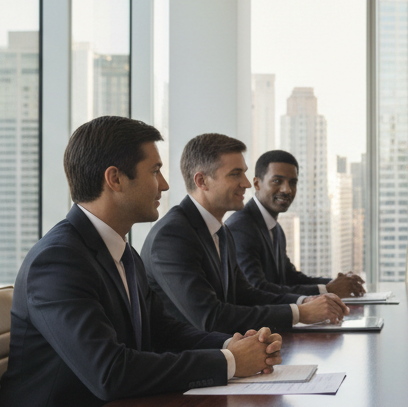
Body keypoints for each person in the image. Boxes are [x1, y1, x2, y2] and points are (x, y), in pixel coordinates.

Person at [0, 117, 281, 407]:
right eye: (154, 171)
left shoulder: (121, 251)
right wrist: (230, 363)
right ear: (115, 179)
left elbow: (164, 331)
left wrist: (232, 344)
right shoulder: (58, 261)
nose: (165, 184)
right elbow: (110, 372)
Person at [141, 133, 348, 336]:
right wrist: (299, 313)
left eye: (244, 173)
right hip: (193, 361)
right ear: (202, 181)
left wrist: (304, 302)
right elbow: (211, 317)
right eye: (235, 174)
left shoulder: (221, 232)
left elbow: (245, 294)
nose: (247, 184)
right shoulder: (172, 236)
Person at [226, 150, 365, 298]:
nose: (287, 189)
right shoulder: (241, 228)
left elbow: (289, 278)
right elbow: (257, 288)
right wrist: (327, 290)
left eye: (292, 182)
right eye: (277, 181)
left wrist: (338, 283)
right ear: (257, 184)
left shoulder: (276, 229)